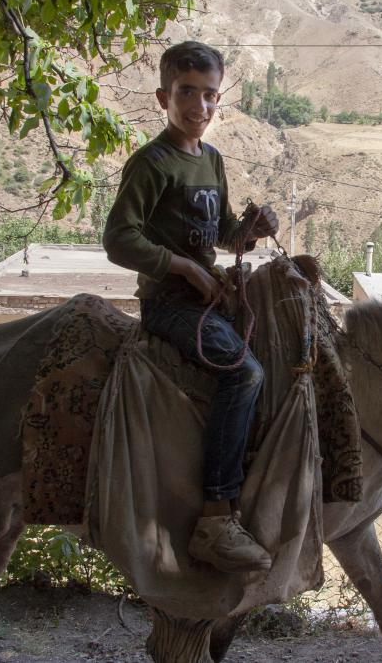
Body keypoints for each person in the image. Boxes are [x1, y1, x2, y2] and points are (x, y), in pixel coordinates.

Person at [103, 41, 279, 573]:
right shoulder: (152, 163)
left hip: (210, 299)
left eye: (208, 95)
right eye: (185, 93)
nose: (198, 107)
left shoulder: (214, 160)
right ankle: (215, 516)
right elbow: (118, 238)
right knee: (244, 373)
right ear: (163, 97)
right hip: (170, 306)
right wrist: (182, 268)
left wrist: (252, 231)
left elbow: (222, 233)